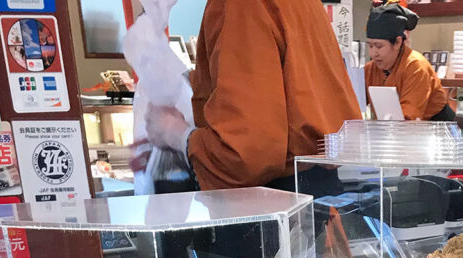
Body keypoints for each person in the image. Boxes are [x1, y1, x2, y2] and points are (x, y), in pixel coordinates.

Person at [145, 0, 361, 192]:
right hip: (318, 201)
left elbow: (246, 154)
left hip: (274, 207)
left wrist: (174, 133)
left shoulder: (241, 6)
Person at [365, 2, 455, 122]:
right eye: (370, 46)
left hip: (434, 129)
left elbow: (408, 116)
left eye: (379, 46)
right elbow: (354, 101)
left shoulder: (416, 66)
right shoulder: (370, 69)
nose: (373, 53)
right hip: (393, 129)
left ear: (397, 42)